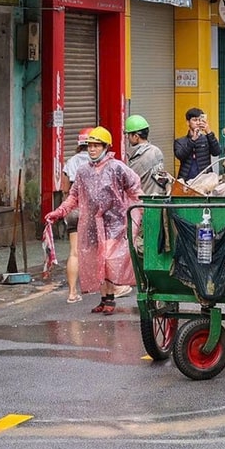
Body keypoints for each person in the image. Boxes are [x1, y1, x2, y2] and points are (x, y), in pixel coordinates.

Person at [46, 126, 142, 315]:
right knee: (98, 261)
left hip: (115, 223)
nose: (92, 149)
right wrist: (58, 212)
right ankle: (104, 298)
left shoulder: (117, 168)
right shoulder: (83, 171)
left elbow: (135, 189)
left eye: (96, 146)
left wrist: (138, 211)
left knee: (108, 260)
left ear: (106, 147)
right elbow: (73, 196)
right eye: (90, 145)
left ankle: (110, 298)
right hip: (91, 224)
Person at [56, 131, 92, 303]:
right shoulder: (97, 162)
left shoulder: (71, 162)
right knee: (98, 250)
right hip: (91, 211)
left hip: (74, 211)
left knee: (74, 252)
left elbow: (65, 189)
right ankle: (103, 288)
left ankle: (72, 293)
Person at [123, 115, 168, 196]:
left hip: (145, 199)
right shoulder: (156, 150)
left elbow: (127, 180)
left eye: (128, 135)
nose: (127, 138)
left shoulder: (144, 156)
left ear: (136, 136)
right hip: (157, 196)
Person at [173, 107, 220, 180]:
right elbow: (180, 156)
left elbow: (217, 152)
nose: (198, 123)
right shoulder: (180, 141)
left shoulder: (206, 138)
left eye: (199, 120)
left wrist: (209, 132)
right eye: (195, 120)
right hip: (186, 179)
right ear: (188, 122)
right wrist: (192, 140)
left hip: (205, 179)